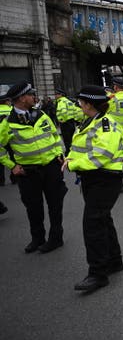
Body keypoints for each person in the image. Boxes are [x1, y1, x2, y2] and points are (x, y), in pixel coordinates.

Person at [62, 85, 123, 292]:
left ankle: (98, 274)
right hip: (94, 180)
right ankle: (115, 261)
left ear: (88, 103)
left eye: (81, 102)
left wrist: (73, 164)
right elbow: (81, 147)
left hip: (105, 180)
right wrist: (72, 157)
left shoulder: (107, 125)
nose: (79, 105)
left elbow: (100, 156)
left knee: (93, 224)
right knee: (103, 220)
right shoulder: (90, 122)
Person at [0, 81, 67, 253]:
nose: (34, 97)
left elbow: (54, 135)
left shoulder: (41, 114)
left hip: (51, 168)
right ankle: (37, 238)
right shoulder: (8, 123)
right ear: (22, 98)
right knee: (33, 207)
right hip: (28, 172)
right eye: (31, 95)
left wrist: (59, 153)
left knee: (55, 204)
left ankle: (56, 238)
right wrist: (12, 166)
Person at [55, 88, 79, 155]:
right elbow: (75, 110)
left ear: (61, 95)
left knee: (66, 140)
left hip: (65, 123)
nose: (55, 96)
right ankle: (73, 151)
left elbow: (63, 111)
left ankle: (68, 153)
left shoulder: (61, 101)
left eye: (57, 94)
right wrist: (75, 119)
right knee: (71, 138)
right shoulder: (69, 101)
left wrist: (63, 120)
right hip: (71, 122)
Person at [0, 94, 11, 186]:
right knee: (13, 157)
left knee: (0, 158)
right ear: (6, 101)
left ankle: (1, 180)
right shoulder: (11, 110)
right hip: (10, 137)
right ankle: (15, 177)